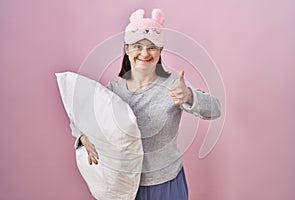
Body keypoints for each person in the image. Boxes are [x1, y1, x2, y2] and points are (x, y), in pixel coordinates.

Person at [70, 8, 221, 200]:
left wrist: (190, 96)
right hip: (126, 185)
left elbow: (215, 109)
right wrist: (83, 136)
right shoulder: (112, 91)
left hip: (168, 183)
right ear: (126, 48)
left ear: (160, 51)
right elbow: (78, 118)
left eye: (152, 47)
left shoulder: (174, 86)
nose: (144, 53)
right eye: (137, 46)